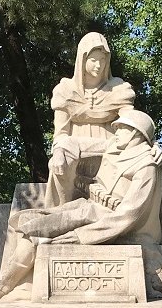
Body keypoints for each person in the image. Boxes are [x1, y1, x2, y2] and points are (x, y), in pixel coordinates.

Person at [0, 110, 162, 302]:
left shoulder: (146, 165)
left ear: (135, 133)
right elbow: (74, 143)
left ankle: (2, 286)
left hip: (108, 222)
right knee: (33, 222)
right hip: (89, 207)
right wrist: (60, 152)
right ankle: (3, 284)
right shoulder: (115, 146)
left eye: (121, 128)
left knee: (39, 231)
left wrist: (81, 236)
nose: (116, 132)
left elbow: (128, 215)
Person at [46, 32, 135, 208]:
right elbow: (61, 134)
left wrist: (148, 142)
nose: (99, 65)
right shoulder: (65, 90)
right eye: (94, 60)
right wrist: (58, 153)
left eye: (102, 60)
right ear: (82, 59)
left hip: (111, 150)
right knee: (59, 164)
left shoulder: (118, 88)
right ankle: (59, 215)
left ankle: (126, 222)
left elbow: (131, 124)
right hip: (75, 151)